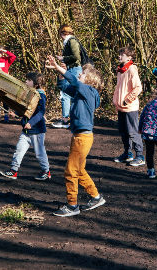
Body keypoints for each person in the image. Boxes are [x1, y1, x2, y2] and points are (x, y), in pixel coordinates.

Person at [45, 55, 106, 217]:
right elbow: (64, 86)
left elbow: (73, 80)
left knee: (70, 171)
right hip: (80, 136)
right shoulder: (82, 93)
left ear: (91, 80)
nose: (80, 74)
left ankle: (72, 205)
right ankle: (96, 197)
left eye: (83, 73)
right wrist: (60, 73)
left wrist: (59, 68)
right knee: (79, 170)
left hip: (82, 138)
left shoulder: (89, 91)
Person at [0, 72, 51, 180]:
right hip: (26, 131)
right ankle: (13, 170)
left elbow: (40, 112)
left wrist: (31, 123)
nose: (26, 81)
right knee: (19, 149)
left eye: (29, 80)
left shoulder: (40, 96)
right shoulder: (29, 94)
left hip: (37, 131)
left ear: (36, 84)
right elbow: (26, 110)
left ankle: (46, 171)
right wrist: (16, 114)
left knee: (40, 153)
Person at [112, 46, 144, 166]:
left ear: (129, 57)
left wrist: (127, 100)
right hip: (121, 107)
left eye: (122, 55)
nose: (119, 56)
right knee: (123, 131)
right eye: (119, 54)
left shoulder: (131, 70)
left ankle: (139, 156)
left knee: (133, 131)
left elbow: (138, 87)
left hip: (130, 107)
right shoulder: (121, 70)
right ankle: (127, 153)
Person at [53, 25, 84, 129]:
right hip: (72, 69)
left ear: (63, 33)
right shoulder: (69, 41)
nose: (60, 37)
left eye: (60, 34)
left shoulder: (72, 41)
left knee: (66, 93)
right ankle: (71, 119)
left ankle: (65, 120)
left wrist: (63, 58)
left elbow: (76, 57)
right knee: (70, 94)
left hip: (74, 69)